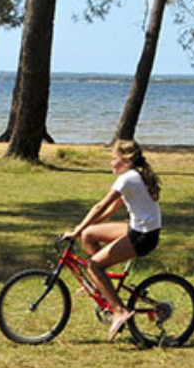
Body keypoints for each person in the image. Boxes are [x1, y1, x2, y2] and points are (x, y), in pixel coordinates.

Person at [63, 140, 164, 341]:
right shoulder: (136, 175)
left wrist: (75, 231)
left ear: (125, 161)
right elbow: (111, 210)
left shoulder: (128, 179)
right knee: (89, 235)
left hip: (142, 236)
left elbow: (100, 207)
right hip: (139, 229)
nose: (111, 163)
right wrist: (81, 230)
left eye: (113, 159)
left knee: (93, 265)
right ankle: (102, 284)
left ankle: (120, 310)